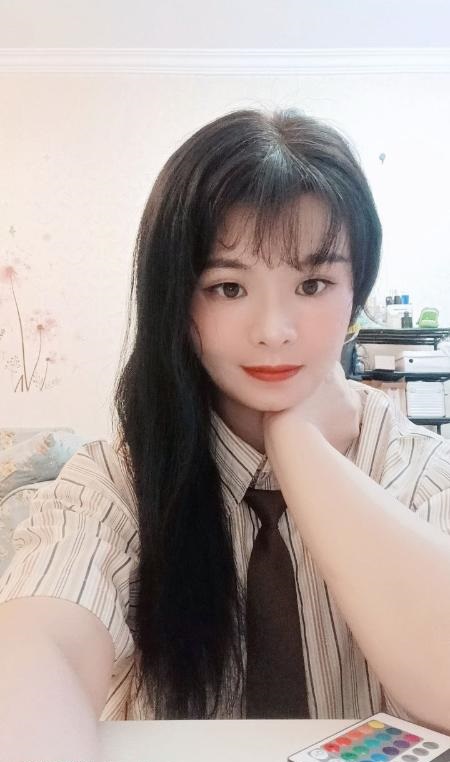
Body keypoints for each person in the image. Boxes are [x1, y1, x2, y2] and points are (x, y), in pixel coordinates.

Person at [1, 108, 450, 762]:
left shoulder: (418, 467)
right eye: (228, 287)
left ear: (356, 296)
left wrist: (302, 450)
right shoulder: (119, 481)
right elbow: (37, 648)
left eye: (313, 283)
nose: (273, 331)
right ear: (176, 304)